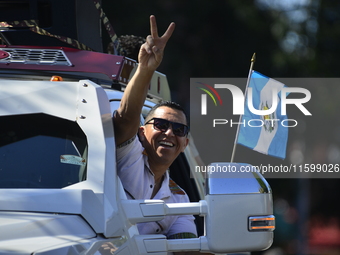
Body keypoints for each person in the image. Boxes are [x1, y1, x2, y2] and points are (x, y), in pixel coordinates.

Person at [113, 15, 197, 239]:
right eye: (160, 124)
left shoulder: (180, 199)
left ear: (185, 143)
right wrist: (145, 69)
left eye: (179, 130)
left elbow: (186, 248)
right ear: (142, 132)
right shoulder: (127, 158)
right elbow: (125, 117)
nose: (169, 133)